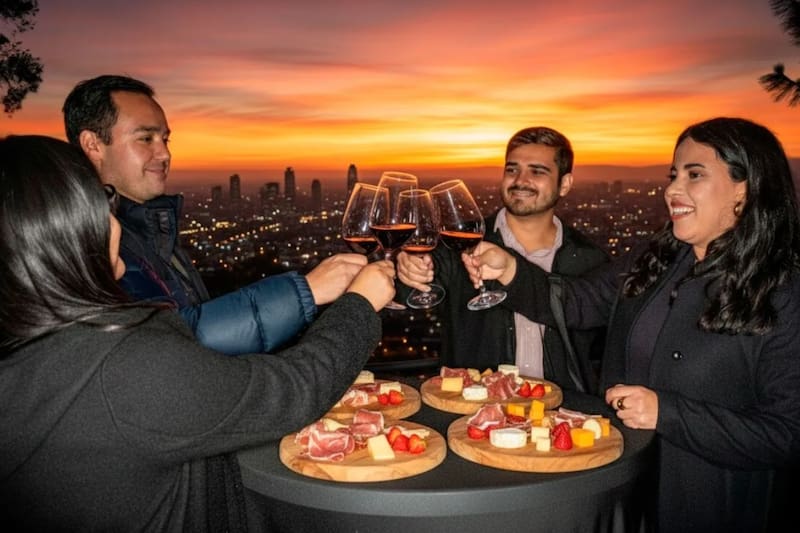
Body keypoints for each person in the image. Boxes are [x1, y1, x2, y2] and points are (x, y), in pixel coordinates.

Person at [0, 135, 396, 531]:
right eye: (101, 202)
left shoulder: (33, 352)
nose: (113, 216)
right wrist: (359, 305)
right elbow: (293, 391)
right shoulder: (121, 366)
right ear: (67, 229)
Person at [462, 117, 800, 532]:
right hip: (626, 489)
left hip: (713, 504)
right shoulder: (657, 257)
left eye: (694, 175)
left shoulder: (782, 293)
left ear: (744, 190)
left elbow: (787, 434)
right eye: (673, 175)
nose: (672, 189)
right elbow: (578, 302)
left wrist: (667, 412)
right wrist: (511, 269)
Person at [62, 74, 365, 355]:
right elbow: (168, 345)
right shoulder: (85, 239)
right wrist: (307, 291)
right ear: (93, 145)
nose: (165, 154)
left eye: (165, 139)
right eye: (145, 138)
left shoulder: (147, 227)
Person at [396, 127, 608, 392]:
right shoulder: (459, 244)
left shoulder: (590, 259)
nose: (520, 180)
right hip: (476, 415)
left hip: (561, 416)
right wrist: (407, 269)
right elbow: (407, 292)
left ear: (564, 184)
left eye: (537, 171)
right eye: (512, 169)